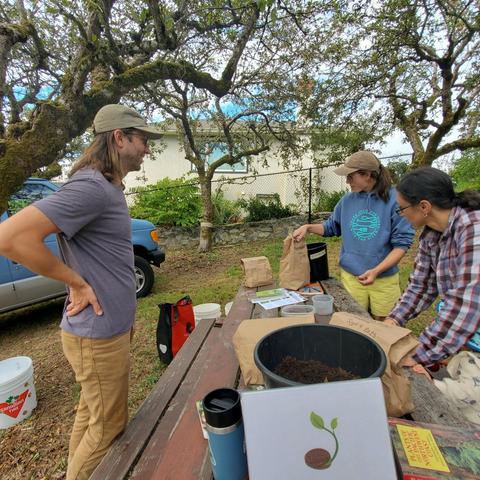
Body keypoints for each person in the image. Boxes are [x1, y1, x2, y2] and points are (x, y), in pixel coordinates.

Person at [0, 104, 163, 479]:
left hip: (104, 332)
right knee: (108, 427)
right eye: (142, 140)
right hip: (97, 335)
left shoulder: (104, 186)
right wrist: (75, 281)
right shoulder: (91, 187)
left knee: (92, 417)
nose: (148, 149)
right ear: (119, 138)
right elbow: (11, 238)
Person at [384, 167, 480, 424]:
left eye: (402, 208)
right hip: (468, 344)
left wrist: (417, 354)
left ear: (424, 206)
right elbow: (420, 287)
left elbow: (465, 305)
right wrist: (392, 321)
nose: (400, 214)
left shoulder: (474, 230)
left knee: (462, 415)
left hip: (473, 338)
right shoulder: (431, 236)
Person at [293, 151, 414, 319]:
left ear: (367, 175)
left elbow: (402, 245)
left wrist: (376, 271)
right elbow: (331, 227)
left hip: (383, 280)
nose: (347, 181)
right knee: (356, 323)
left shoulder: (396, 200)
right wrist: (308, 227)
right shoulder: (347, 201)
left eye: (350, 176)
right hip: (352, 277)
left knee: (384, 325)